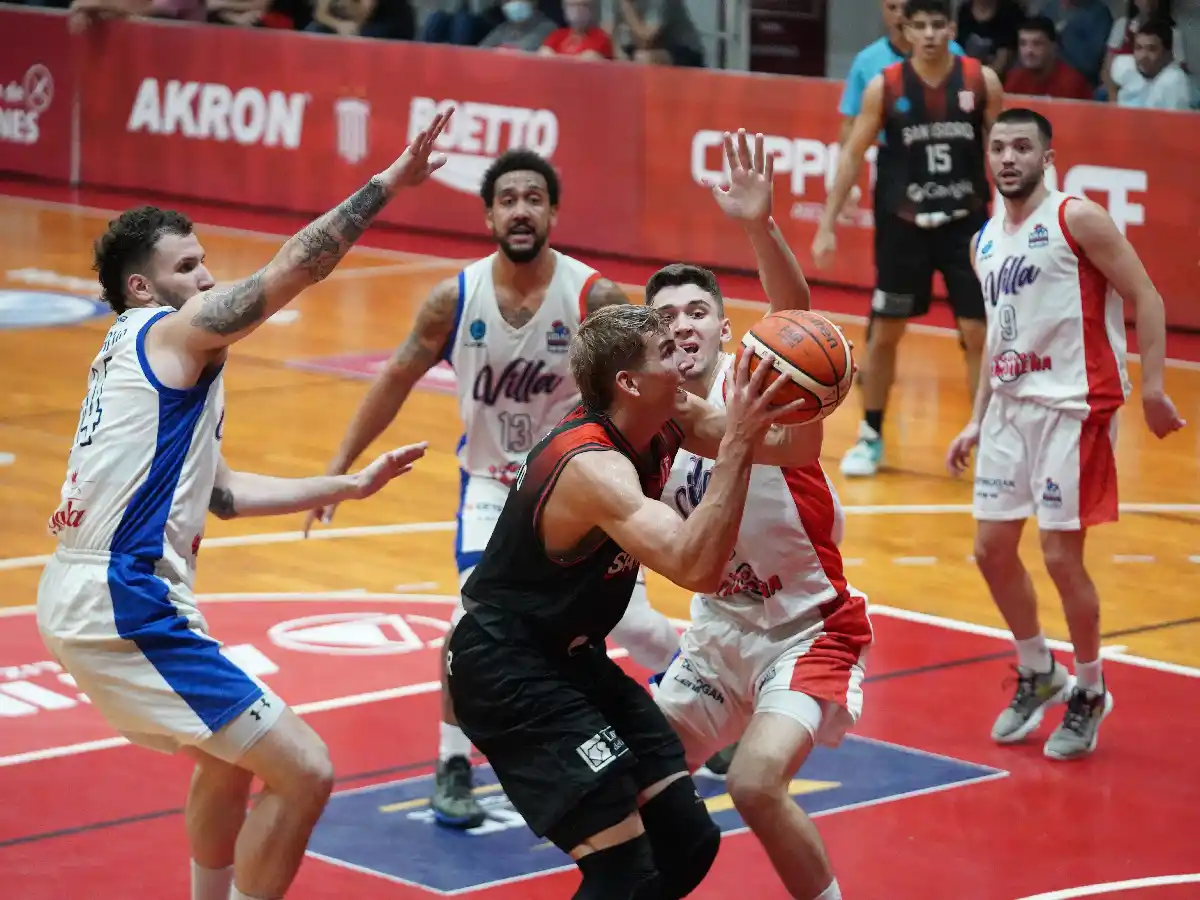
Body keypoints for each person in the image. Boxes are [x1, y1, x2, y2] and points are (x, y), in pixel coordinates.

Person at [34, 111, 455, 900]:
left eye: (205, 262)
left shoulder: (139, 356)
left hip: (97, 590)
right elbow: (296, 267)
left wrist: (346, 486)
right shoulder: (169, 332)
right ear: (141, 287)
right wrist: (390, 183)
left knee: (228, 763)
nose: (207, 279)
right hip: (122, 597)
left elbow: (220, 494)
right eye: (188, 266)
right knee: (308, 770)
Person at [306, 147, 681, 829]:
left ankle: (692, 688)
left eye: (533, 198)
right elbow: (394, 378)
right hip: (492, 487)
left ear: (553, 212)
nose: (520, 210)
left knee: (633, 623)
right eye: (508, 199)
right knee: (468, 625)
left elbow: (645, 390)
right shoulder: (454, 298)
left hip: (578, 485)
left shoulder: (593, 297)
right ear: (487, 216)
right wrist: (340, 466)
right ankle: (452, 762)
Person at [446, 299, 821, 900]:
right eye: (667, 351)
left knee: (686, 842)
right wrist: (738, 443)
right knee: (624, 874)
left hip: (571, 658)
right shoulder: (591, 466)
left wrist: (809, 393)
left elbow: (789, 448)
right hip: (506, 668)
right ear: (629, 382)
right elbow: (695, 567)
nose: (685, 355)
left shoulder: (667, 415)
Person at [649, 130, 869, 900]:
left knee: (753, 783)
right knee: (635, 775)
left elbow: (793, 314)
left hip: (808, 630)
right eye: (667, 315)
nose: (683, 323)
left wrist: (759, 225)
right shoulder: (643, 428)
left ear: (724, 330)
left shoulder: (763, 389)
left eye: (698, 311)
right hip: (717, 631)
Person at [946, 107, 1185, 760]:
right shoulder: (984, 240)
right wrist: (976, 417)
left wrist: (1154, 387)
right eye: (999, 147)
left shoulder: (1077, 218)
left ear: (1047, 158)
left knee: (1059, 556)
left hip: (1074, 407)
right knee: (991, 551)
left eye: (1023, 147)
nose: (1009, 158)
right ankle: (1038, 669)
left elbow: (1147, 295)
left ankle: (1090, 687)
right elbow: (999, 334)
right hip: (1008, 409)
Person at [814, 0, 1003, 479]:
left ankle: (987, 437)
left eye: (938, 25)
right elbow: (853, 153)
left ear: (952, 29)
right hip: (904, 226)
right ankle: (871, 434)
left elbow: (1003, 152)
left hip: (966, 224)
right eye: (921, 26)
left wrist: (1022, 216)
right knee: (885, 333)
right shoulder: (885, 85)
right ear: (907, 30)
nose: (930, 34)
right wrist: (827, 223)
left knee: (979, 332)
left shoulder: (980, 80)